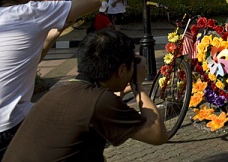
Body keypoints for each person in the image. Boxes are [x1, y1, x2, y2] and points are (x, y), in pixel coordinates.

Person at [3, 29, 168, 160]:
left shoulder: (60, 91)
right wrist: (137, 85)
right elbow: (157, 134)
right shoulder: (99, 101)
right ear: (122, 70)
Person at [0, 0, 101, 157]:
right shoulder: (30, 11)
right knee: (85, 135)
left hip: (10, 123)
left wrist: (55, 33)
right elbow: (93, 1)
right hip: (9, 124)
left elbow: (30, 60)